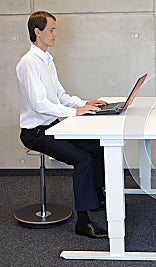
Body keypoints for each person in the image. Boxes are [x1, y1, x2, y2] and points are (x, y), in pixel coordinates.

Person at [16, 11, 109, 238]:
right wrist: (73, 113)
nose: (56, 34)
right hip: (35, 133)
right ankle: (83, 222)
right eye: (51, 29)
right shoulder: (29, 63)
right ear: (37, 32)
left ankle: (96, 198)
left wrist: (85, 104)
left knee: (97, 147)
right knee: (83, 159)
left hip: (51, 126)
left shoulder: (47, 60)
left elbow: (60, 94)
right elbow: (39, 104)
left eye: (55, 29)